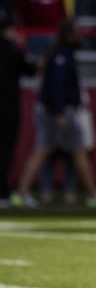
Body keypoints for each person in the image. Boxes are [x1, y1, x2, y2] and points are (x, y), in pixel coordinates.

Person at [10, 19, 96, 208]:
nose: (79, 36)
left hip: (56, 110)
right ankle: (93, 194)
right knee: (76, 153)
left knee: (45, 152)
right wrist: (60, 111)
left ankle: (22, 192)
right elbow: (55, 86)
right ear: (69, 34)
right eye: (76, 32)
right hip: (59, 112)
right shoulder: (61, 56)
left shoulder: (59, 53)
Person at [0, 19, 37, 208]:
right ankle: (2, 193)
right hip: (7, 108)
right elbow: (30, 70)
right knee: (5, 150)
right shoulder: (12, 50)